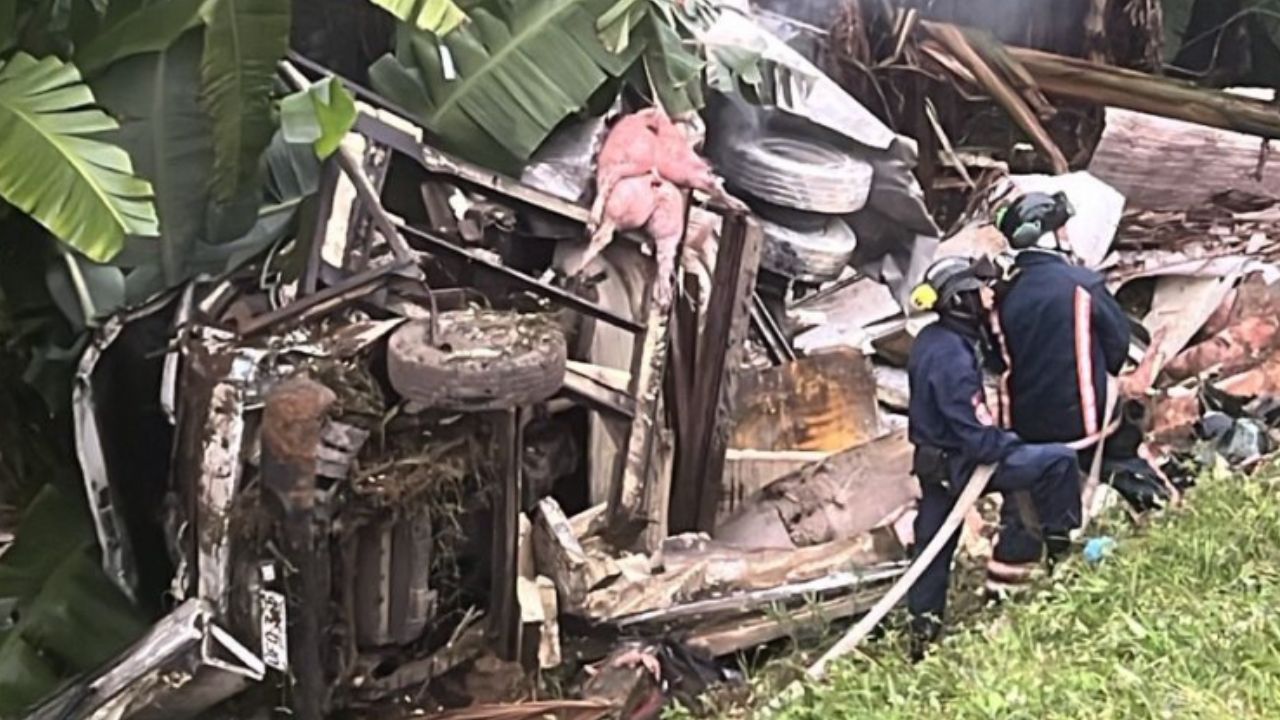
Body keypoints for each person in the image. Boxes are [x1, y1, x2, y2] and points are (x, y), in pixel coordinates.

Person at [906, 256, 1082, 660]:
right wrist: (1011, 445)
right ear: (960, 300)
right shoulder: (952, 357)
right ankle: (1062, 557)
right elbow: (978, 439)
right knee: (1058, 462)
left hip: (933, 466)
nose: (989, 297)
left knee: (930, 552)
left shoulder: (932, 341)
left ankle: (922, 641)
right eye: (980, 291)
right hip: (963, 465)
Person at [986, 191, 1135, 590]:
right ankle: (1160, 513)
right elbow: (1117, 343)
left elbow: (997, 357)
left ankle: (1010, 580)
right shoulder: (1082, 283)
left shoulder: (1003, 295)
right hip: (1085, 415)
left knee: (1028, 504)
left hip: (1026, 422)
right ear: (1048, 235)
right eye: (1062, 227)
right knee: (1123, 464)